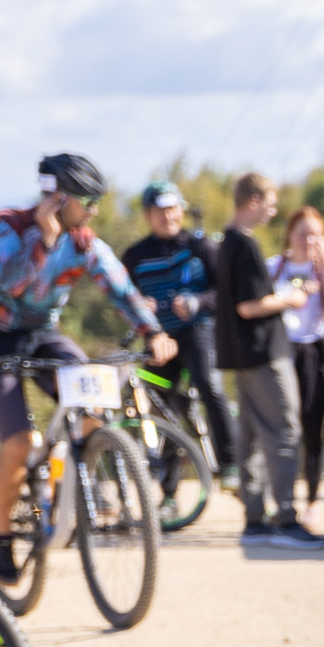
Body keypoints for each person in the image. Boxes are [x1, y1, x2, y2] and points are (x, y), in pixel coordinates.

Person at [0, 153, 175, 582]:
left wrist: (153, 330)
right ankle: (3, 532)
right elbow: (11, 283)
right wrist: (43, 242)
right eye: (88, 201)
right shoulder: (6, 226)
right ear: (59, 198)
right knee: (20, 442)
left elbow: (121, 288)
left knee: (94, 403)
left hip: (42, 333)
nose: (94, 210)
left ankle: (74, 476)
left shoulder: (83, 242)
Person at [210, 173, 324, 550]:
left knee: (254, 436)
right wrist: (291, 298)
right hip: (262, 353)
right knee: (284, 432)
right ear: (254, 200)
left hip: (244, 354)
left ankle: (256, 520)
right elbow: (249, 306)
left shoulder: (227, 242)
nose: (273, 212)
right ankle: (286, 520)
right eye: (271, 203)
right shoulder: (242, 245)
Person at [121, 181, 237, 484]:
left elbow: (224, 291)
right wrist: (138, 308)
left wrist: (197, 301)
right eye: (160, 211)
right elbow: (122, 298)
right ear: (148, 215)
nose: (168, 216)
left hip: (197, 333)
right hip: (159, 342)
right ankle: (169, 488)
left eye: (172, 209)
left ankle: (231, 464)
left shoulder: (202, 246)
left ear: (181, 210)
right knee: (160, 404)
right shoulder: (135, 256)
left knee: (210, 385)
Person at [268, 204, 324, 524]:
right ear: (289, 234)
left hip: (317, 353)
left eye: (316, 234)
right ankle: (282, 497)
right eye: (303, 234)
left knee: (315, 429)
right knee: (284, 429)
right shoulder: (273, 266)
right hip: (282, 352)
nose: (309, 240)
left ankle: (313, 499)